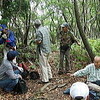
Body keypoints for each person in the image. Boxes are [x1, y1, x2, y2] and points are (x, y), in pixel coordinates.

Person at [33, 19, 52, 84]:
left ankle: (45, 80)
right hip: (48, 49)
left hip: (43, 50)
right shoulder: (45, 29)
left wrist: (34, 40)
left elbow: (39, 41)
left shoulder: (38, 31)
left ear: (35, 26)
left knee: (43, 65)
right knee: (46, 63)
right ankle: (50, 76)